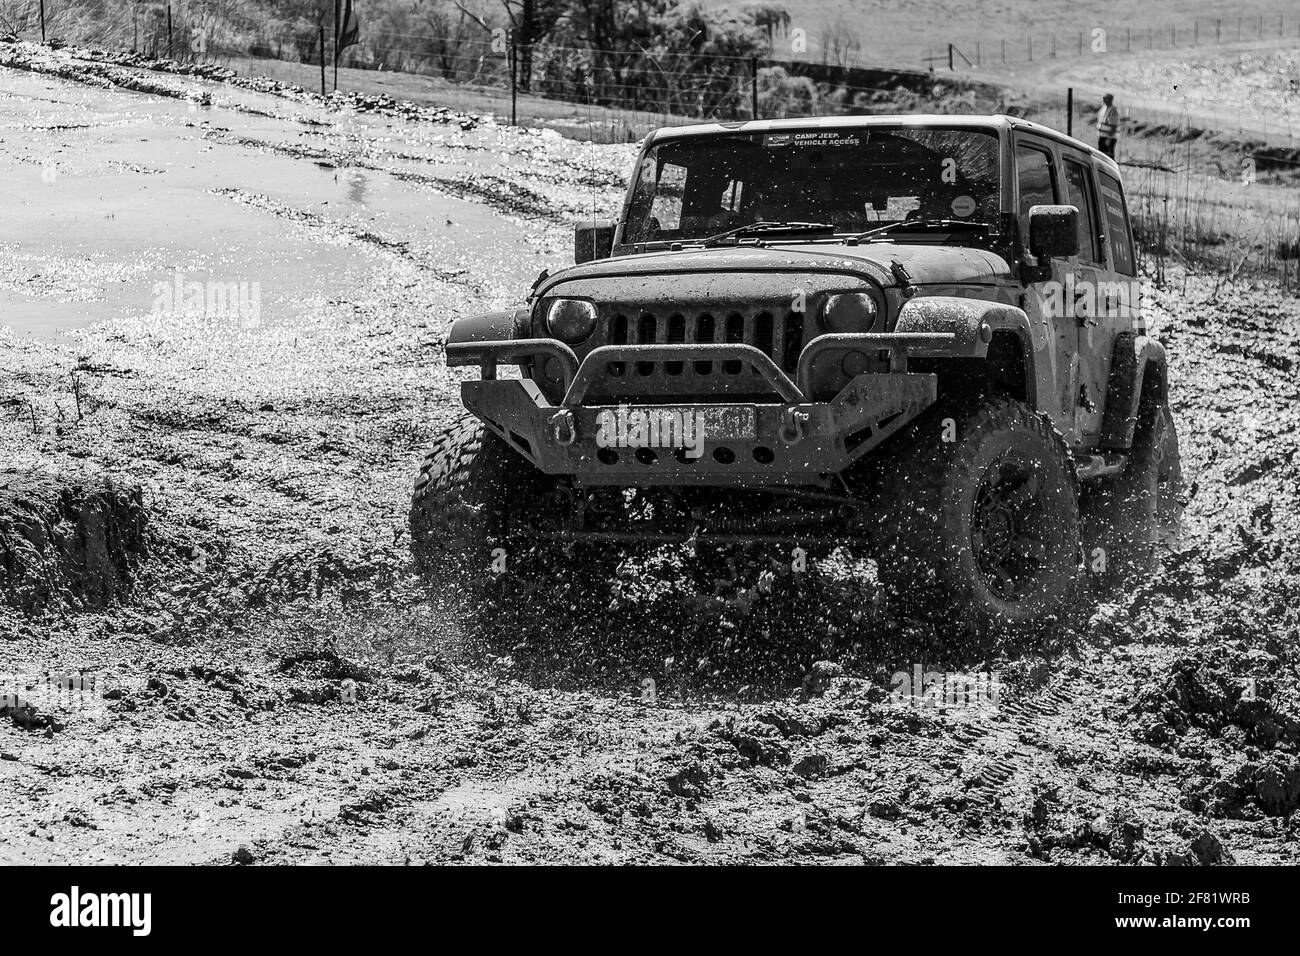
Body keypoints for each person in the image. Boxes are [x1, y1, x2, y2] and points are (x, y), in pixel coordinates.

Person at [1097, 93, 1120, 158]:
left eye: (1105, 98)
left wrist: (1109, 138)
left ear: (1110, 100)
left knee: (1108, 156)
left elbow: (1114, 125)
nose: (1103, 100)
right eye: (1103, 98)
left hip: (1109, 137)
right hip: (1102, 135)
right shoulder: (1103, 108)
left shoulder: (1113, 110)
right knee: (1101, 154)